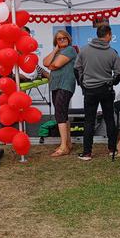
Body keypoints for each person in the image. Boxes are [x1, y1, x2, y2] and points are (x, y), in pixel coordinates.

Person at [74, 24, 120, 161]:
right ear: (108, 35)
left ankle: (87, 153)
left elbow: (76, 68)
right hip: (106, 89)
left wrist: (82, 84)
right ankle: (112, 149)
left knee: (89, 121)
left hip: (89, 90)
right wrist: (113, 82)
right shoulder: (112, 52)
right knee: (109, 119)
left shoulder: (84, 50)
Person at [42, 29, 77, 157]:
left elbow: (55, 65)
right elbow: (45, 62)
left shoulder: (70, 50)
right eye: (59, 39)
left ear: (68, 39)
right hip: (56, 85)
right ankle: (68, 143)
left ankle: (63, 147)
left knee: (60, 113)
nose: (62, 40)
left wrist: (51, 65)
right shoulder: (58, 51)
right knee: (62, 113)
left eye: (64, 38)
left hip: (65, 84)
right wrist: (55, 50)